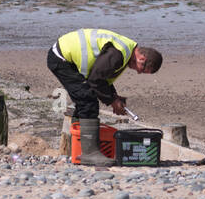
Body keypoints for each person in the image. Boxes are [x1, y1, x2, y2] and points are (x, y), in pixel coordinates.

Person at [48, 29, 162, 165]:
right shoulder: (118, 54)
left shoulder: (125, 52)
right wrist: (112, 100)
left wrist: (114, 96)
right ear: (141, 59)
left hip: (65, 57)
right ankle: (89, 153)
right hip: (61, 58)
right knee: (87, 99)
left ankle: (78, 150)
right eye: (142, 70)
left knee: (84, 98)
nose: (138, 72)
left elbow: (103, 78)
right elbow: (95, 80)